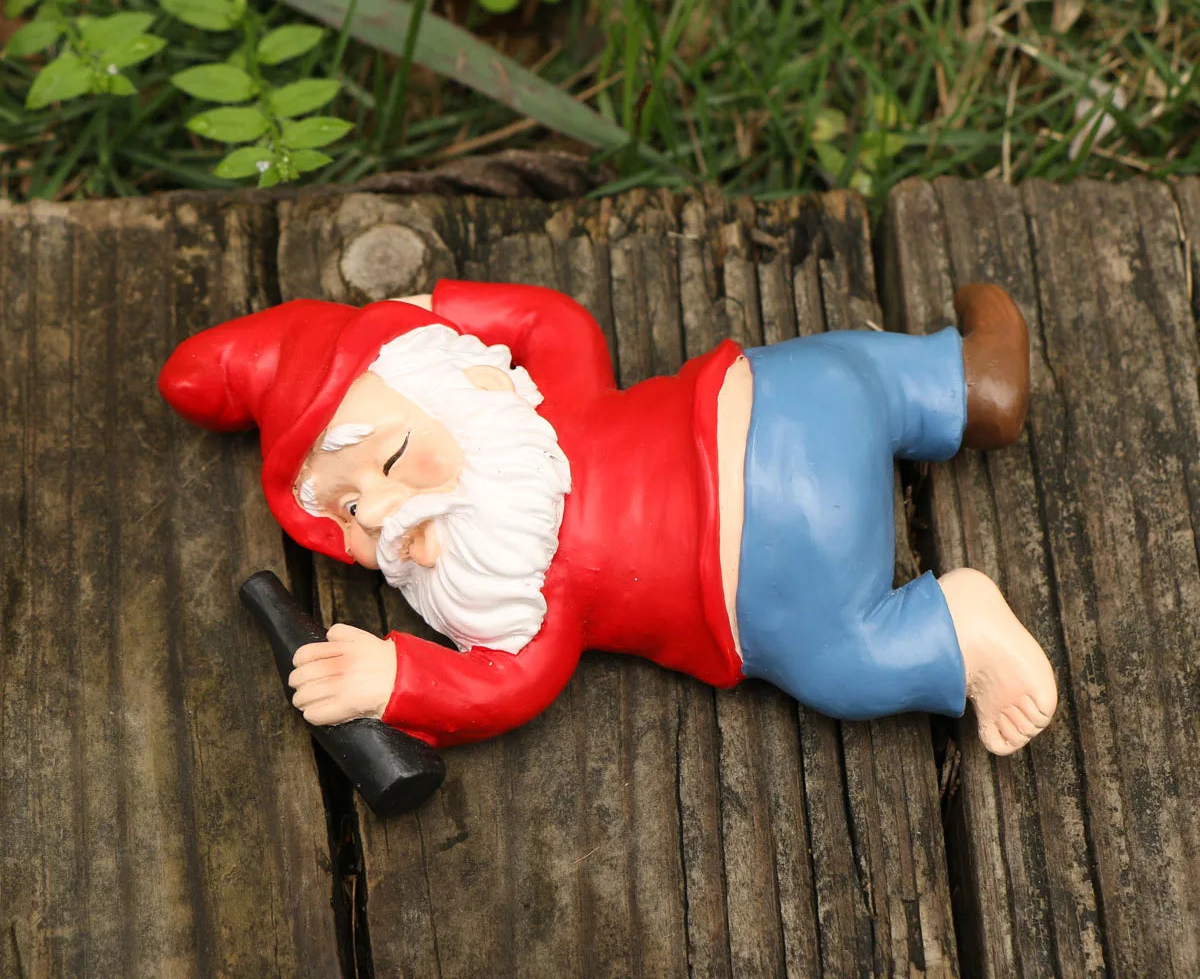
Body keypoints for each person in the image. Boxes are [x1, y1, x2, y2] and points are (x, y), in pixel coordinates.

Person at [159, 280, 1056, 755]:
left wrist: (431, 311)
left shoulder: (546, 408)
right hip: (784, 587)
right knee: (846, 656)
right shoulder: (517, 597)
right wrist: (395, 677)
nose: (386, 510)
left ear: (461, 383)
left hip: (763, 430)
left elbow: (549, 319)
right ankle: (960, 614)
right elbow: (507, 684)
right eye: (352, 510)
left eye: (391, 459)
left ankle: (964, 387)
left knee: (839, 377)